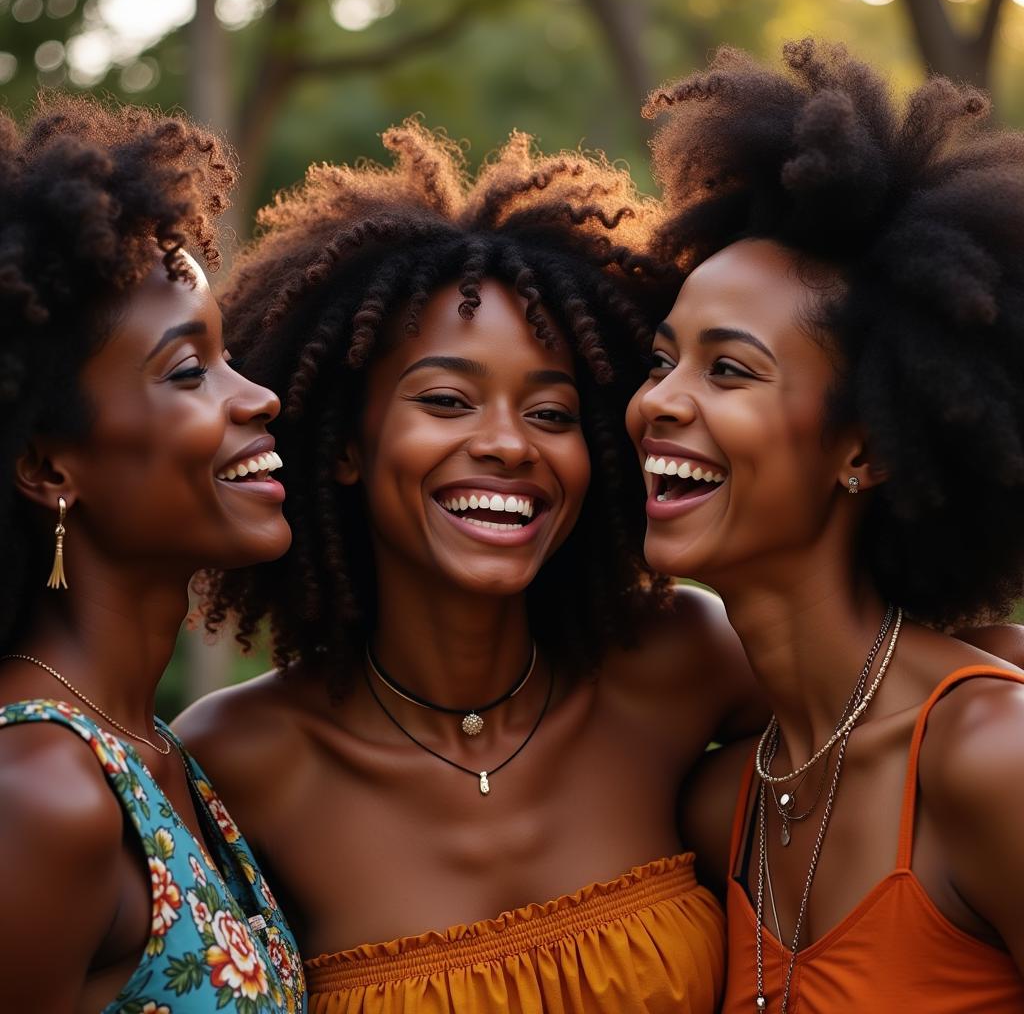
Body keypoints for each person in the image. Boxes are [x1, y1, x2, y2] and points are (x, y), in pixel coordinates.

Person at [175, 119, 761, 1014]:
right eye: (446, 401)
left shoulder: (684, 661)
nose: (506, 445)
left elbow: (897, 701)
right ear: (342, 445)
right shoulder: (236, 764)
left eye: (554, 414)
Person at [627, 40, 1024, 1013]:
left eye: (728, 370)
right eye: (661, 361)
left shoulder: (989, 759)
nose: (658, 404)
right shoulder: (725, 805)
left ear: (867, 449)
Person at [0, 95, 305, 1012]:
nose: (257, 398)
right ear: (49, 466)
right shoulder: (40, 796)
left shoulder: (153, 753)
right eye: (188, 371)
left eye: (228, 357)